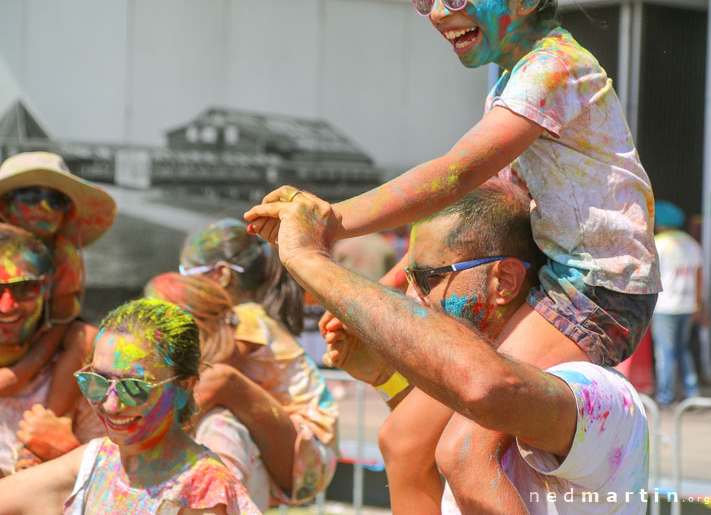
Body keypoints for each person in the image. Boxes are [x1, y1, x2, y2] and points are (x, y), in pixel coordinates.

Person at [246, 0, 660, 368]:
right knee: (404, 438)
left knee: (480, 420)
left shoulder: (553, 68)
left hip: (599, 289)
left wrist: (330, 221)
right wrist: (388, 289)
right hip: (551, 277)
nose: (440, 12)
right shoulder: (509, 87)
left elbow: (456, 175)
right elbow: (476, 211)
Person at [253, 181, 650, 513]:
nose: (413, 295)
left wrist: (308, 257)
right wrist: (387, 379)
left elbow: (487, 392)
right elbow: (413, 448)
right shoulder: (493, 390)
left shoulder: (595, 394)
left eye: (427, 277)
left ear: (504, 282)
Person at [0, 298, 262, 515]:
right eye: (98, 381)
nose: (112, 405)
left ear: (183, 387)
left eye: (135, 388)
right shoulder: (96, 461)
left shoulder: (202, 491)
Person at [177, 219, 338, 508]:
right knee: (217, 419)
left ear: (222, 275)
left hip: (310, 449)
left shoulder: (247, 317)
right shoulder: (239, 319)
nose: (182, 287)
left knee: (219, 385)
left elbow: (211, 375)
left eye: (186, 273)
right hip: (290, 447)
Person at [0, 151, 116, 425]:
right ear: (4, 205)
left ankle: (51, 420)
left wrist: (21, 373)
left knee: (85, 337)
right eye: (29, 195)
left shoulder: (64, 255)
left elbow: (61, 321)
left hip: (35, 339)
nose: (43, 206)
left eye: (56, 200)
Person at [0, 223, 102, 476]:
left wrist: (67, 451)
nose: (6, 306)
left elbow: (122, 487)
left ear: (45, 289)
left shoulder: (84, 371)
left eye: (24, 288)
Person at [651, 200, 702, 408]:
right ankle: (693, 393)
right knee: (683, 349)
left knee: (665, 352)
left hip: (665, 306)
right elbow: (700, 276)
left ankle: (665, 396)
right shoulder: (691, 244)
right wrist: (698, 304)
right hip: (688, 305)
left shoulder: (658, 243)